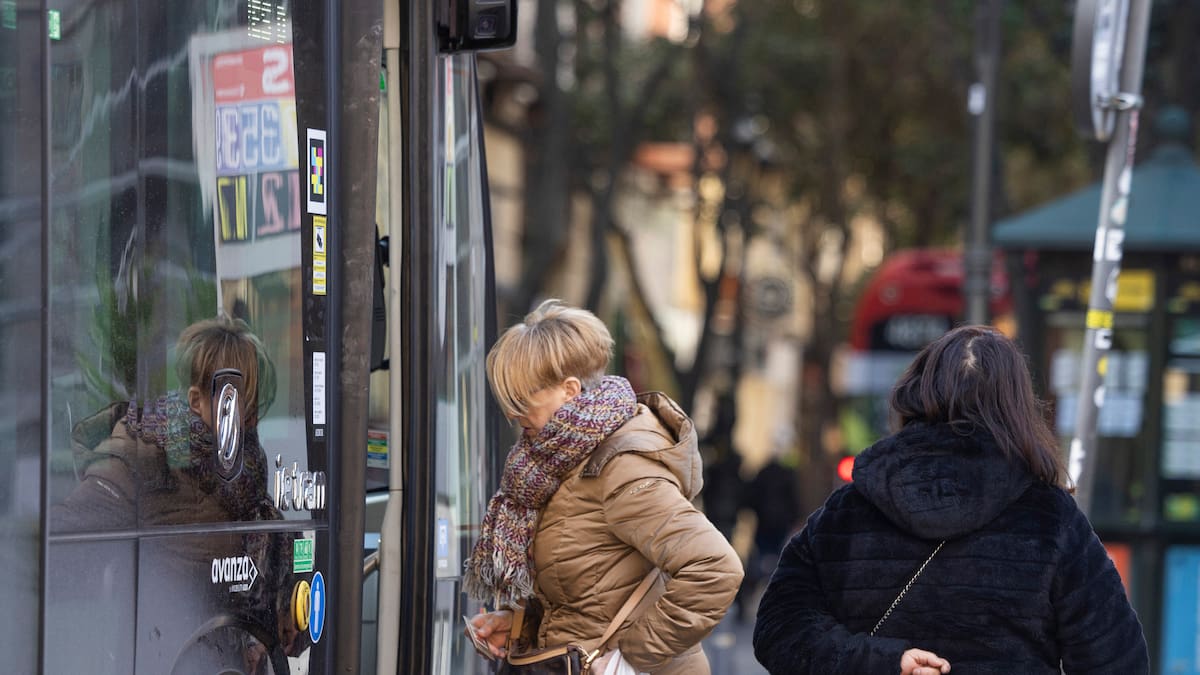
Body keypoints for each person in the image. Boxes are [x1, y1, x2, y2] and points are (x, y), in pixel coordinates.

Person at [753, 325, 1149, 674]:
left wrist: (881, 662)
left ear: (915, 394)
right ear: (1015, 407)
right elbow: (1117, 660)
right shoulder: (1052, 519)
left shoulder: (848, 512)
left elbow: (778, 629)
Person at [462, 300, 743, 675]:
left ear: (570, 390)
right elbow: (590, 592)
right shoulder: (553, 464)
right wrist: (518, 623)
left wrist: (632, 659)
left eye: (523, 400)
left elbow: (715, 568)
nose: (514, 414)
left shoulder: (619, 468)